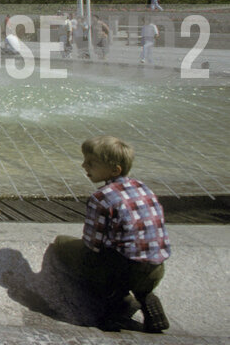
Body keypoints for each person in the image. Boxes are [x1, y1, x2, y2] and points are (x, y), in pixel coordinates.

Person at [51, 136, 170, 333]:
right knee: (131, 258)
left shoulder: (102, 197)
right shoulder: (143, 187)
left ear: (115, 170)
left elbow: (92, 245)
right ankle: (145, 295)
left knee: (64, 246)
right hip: (155, 269)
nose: (83, 166)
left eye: (91, 163)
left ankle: (121, 301)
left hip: (123, 271)